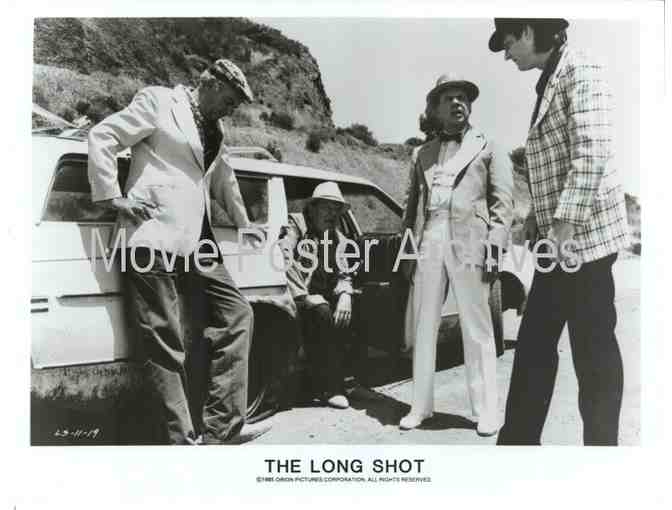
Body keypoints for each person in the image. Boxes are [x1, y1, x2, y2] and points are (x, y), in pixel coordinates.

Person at [88, 59, 271, 445]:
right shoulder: (158, 101)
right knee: (165, 342)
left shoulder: (216, 128)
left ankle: (223, 427)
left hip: (197, 242)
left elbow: (223, 178)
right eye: (230, 100)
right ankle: (181, 441)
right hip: (152, 235)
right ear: (212, 83)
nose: (231, 110)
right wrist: (112, 198)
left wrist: (244, 223)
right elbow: (103, 136)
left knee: (239, 314)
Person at [488, 18, 631, 445]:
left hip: (584, 244)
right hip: (559, 245)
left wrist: (563, 227)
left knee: (593, 353)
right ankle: (517, 445)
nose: (506, 53)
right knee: (535, 347)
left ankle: (601, 453)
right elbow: (555, 162)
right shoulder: (551, 76)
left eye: (507, 42)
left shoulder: (581, 68)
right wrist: (537, 214)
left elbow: (591, 153)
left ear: (527, 31)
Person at [399, 74, 513, 435]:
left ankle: (486, 411)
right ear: (435, 108)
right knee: (424, 324)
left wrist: (494, 248)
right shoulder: (422, 153)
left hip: (471, 241)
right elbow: (410, 210)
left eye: (462, 97)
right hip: (430, 237)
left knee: (477, 327)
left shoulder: (489, 146)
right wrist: (407, 253)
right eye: (448, 98)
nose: (457, 103)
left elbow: (502, 205)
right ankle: (420, 406)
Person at [281, 182, 357, 409]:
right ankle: (329, 388)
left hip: (324, 296)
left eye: (336, 209)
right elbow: (283, 257)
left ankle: (350, 380)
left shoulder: (338, 237)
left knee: (357, 305)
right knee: (322, 312)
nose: (332, 214)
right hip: (295, 296)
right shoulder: (296, 224)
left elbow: (345, 271)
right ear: (313, 208)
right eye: (326, 207)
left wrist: (345, 293)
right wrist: (304, 296)